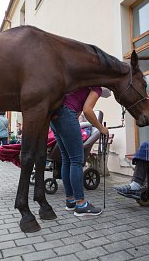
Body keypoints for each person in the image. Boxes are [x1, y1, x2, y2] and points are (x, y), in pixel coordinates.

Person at [50, 87, 109, 216]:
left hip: (54, 116)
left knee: (66, 159)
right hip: (66, 114)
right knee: (76, 160)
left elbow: (78, 110)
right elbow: (88, 110)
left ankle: (70, 201)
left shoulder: (82, 80)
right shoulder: (96, 87)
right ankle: (81, 205)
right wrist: (101, 128)